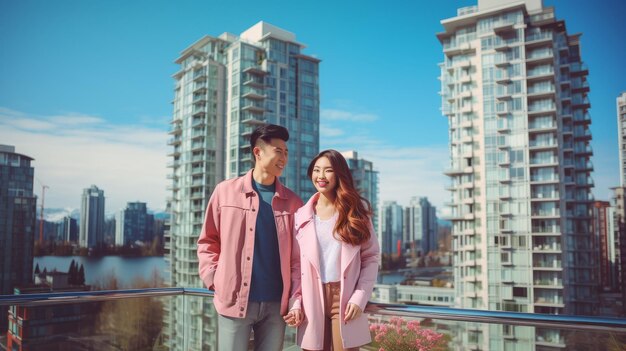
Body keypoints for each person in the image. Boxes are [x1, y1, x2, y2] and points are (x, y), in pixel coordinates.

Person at [197, 124, 303, 351]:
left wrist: (295, 297)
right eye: (278, 151)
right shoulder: (225, 192)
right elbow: (208, 240)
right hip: (234, 301)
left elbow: (298, 259)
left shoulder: (293, 203)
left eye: (286, 152)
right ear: (258, 152)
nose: (284, 157)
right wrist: (213, 278)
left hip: (277, 306)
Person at [284, 149, 380, 351]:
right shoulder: (301, 216)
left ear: (339, 174)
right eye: (316, 170)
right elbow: (296, 266)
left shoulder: (357, 211)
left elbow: (371, 258)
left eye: (328, 170)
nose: (321, 176)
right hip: (311, 298)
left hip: (344, 298)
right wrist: (296, 302)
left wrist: (359, 297)